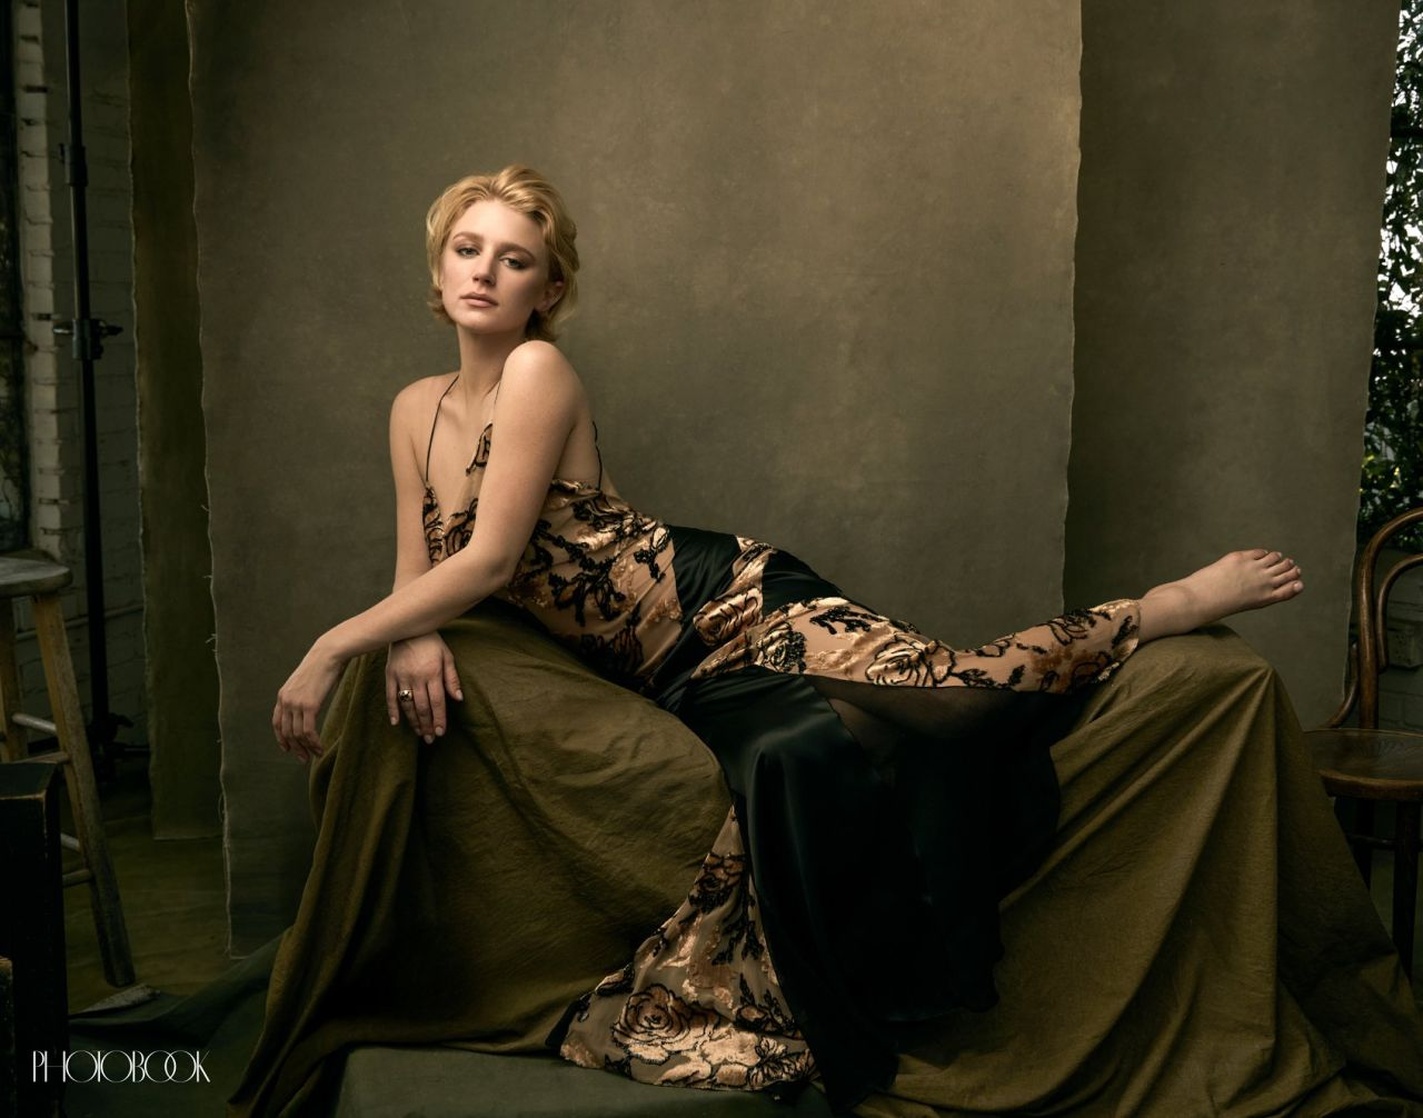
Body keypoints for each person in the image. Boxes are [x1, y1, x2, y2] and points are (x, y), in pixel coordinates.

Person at [256, 166, 1417, 1116]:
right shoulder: (411, 409)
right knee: (803, 761)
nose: (485, 271)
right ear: (437, 267)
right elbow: (423, 565)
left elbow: (489, 559)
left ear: (547, 289)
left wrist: (330, 646)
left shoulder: (537, 369)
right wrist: (404, 637)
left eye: (515, 259)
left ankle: (1154, 606)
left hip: (728, 601)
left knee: (946, 689)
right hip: (674, 674)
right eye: (467, 249)